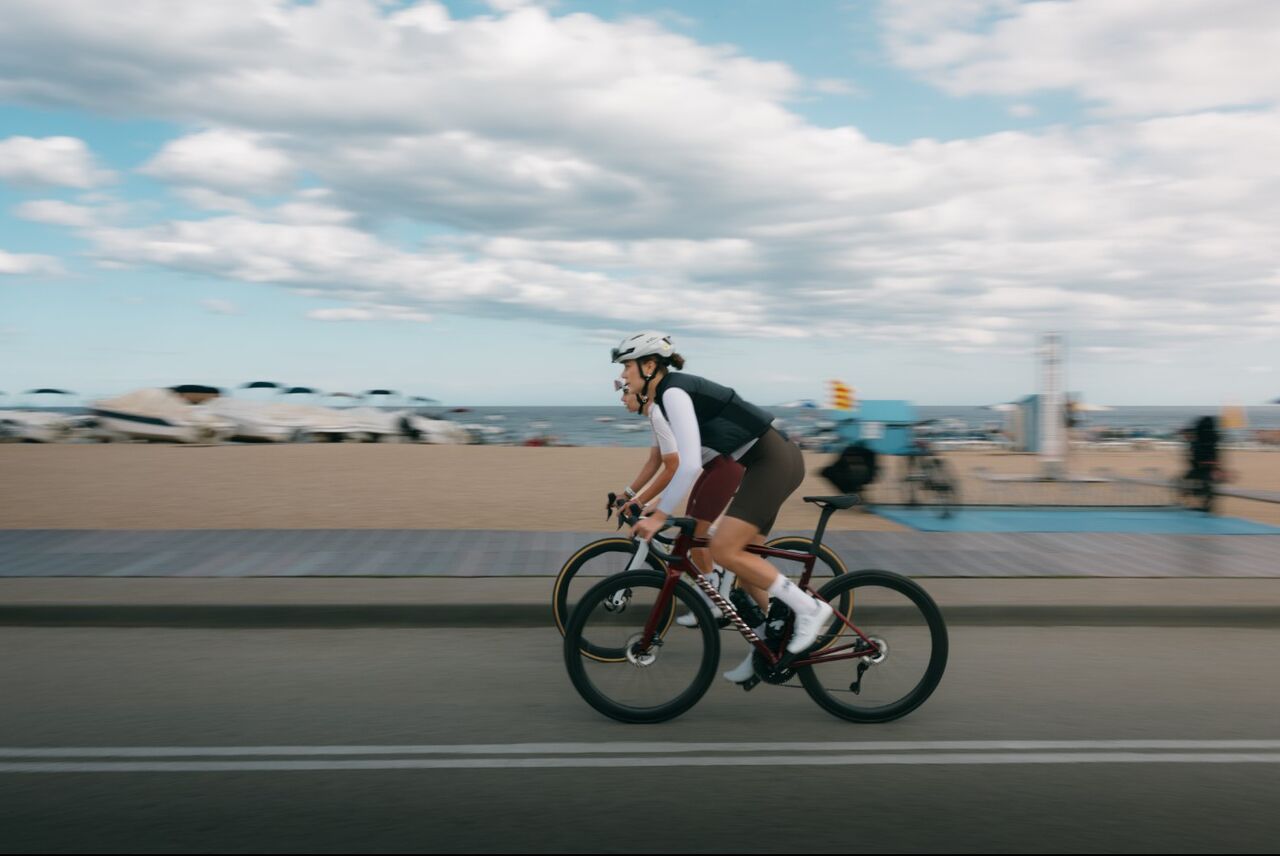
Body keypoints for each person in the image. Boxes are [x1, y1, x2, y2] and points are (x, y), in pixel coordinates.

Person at [612, 331, 832, 685]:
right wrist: (652, 506)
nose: (623, 376)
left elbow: (687, 466)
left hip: (772, 460)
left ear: (650, 366)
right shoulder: (667, 398)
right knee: (745, 566)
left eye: (627, 367)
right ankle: (767, 645)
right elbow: (685, 461)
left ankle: (810, 608)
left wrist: (658, 516)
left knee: (723, 548)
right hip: (769, 461)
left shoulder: (674, 392)